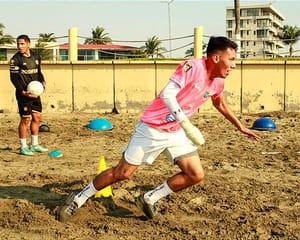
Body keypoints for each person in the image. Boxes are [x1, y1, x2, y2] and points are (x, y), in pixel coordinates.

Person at [57, 36, 260, 222]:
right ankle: (78, 198)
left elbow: (220, 104)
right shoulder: (192, 67)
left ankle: (148, 198)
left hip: (176, 132)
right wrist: (186, 124)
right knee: (122, 173)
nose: (234, 64)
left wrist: (240, 126)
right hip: (152, 128)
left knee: (195, 174)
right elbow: (167, 95)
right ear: (216, 58)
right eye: (231, 58)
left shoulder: (218, 82)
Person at [9, 34, 48, 156]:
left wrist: (43, 81)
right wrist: (22, 91)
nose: (19, 46)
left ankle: (35, 144)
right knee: (25, 119)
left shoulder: (36, 56)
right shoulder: (15, 60)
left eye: (22, 44)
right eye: (18, 44)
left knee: (37, 118)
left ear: (28, 44)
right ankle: (23, 146)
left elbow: (38, 71)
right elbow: (13, 78)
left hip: (36, 93)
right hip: (23, 94)